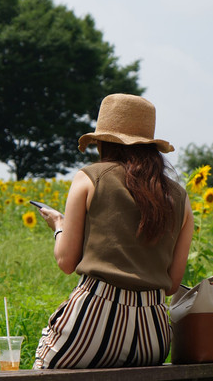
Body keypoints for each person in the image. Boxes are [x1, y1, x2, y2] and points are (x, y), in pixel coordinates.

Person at [31, 93, 194, 369]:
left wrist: (59, 226)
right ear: (150, 146)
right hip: (152, 335)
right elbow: (173, 285)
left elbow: (66, 262)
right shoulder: (180, 197)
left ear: (103, 142)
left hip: (91, 323)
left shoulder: (90, 177)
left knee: (42, 366)